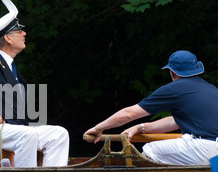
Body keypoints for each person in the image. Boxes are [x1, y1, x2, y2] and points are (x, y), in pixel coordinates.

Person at [0, 0, 69, 167]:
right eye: (19, 31)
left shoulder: (11, 68)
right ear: (8, 38)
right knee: (27, 135)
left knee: (59, 133)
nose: (24, 33)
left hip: (9, 131)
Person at [84, 50, 218, 165]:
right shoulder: (211, 89)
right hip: (213, 151)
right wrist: (141, 128)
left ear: (172, 73)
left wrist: (98, 128)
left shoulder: (175, 89)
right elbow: (173, 121)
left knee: (150, 150)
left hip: (205, 147)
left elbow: (129, 113)